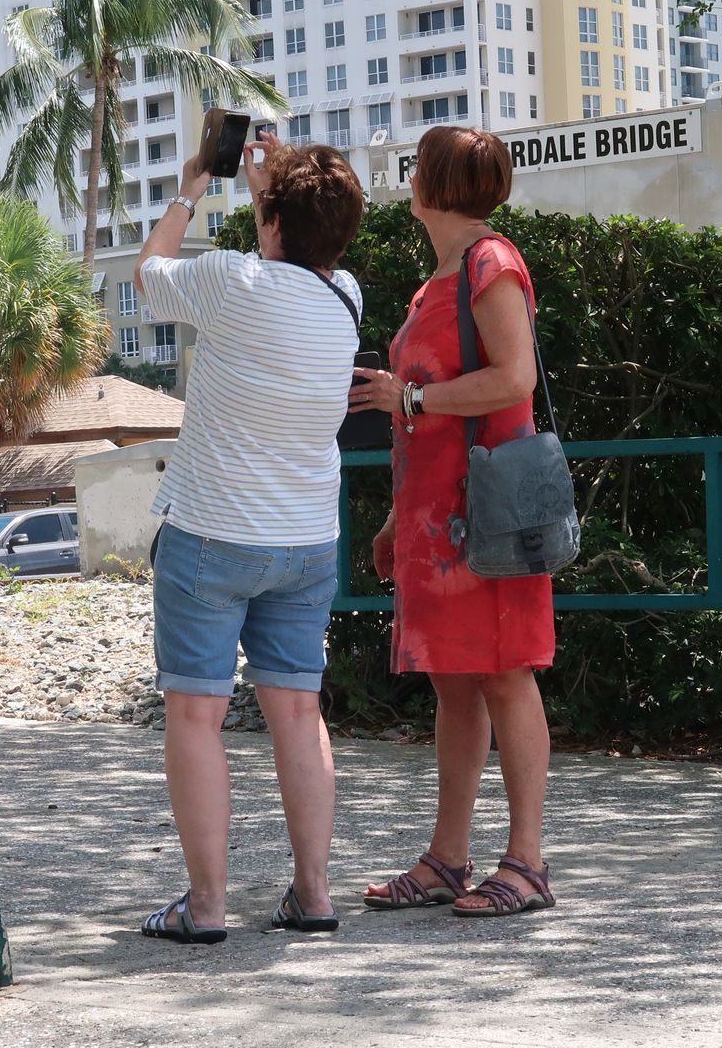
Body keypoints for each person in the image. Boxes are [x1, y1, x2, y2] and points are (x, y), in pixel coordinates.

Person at [132, 136, 367, 943]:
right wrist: (282, 192)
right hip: (306, 539)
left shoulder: (232, 280)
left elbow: (149, 274)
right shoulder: (347, 297)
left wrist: (192, 189)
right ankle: (314, 894)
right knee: (298, 713)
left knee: (195, 717)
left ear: (269, 216)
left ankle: (205, 907)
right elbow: (301, 250)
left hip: (211, 533)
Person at [348, 126, 558, 918]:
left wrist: (409, 396)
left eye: (417, 168)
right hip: (438, 517)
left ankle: (527, 863)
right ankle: (447, 856)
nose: (408, 179)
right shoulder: (436, 279)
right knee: (455, 682)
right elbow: (431, 419)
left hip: (488, 515)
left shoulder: (490, 262)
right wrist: (396, 519)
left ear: (432, 184)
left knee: (506, 674)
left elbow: (514, 378)